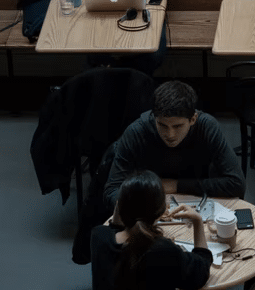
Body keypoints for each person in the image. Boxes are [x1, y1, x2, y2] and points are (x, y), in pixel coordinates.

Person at [90, 170, 212, 290]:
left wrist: (122, 210)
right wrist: (198, 222)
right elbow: (200, 274)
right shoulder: (162, 249)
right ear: (161, 211)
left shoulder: (98, 237)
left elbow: (114, 229)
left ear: (119, 205)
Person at [103, 80, 246, 212]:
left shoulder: (207, 126)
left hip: (195, 205)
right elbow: (111, 191)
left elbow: (237, 184)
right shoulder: (136, 131)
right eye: (162, 125)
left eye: (177, 126)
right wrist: (142, 203)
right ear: (154, 117)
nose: (170, 134)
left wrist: (175, 185)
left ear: (193, 119)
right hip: (148, 206)